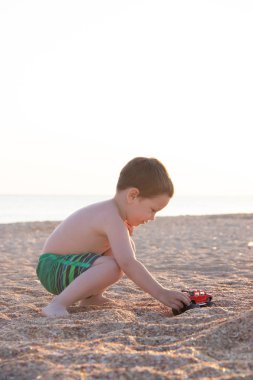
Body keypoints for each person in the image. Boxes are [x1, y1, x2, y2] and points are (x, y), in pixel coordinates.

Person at [36, 157, 190, 317]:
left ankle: (91, 298)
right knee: (114, 267)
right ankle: (57, 304)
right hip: (52, 268)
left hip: (67, 265)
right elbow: (128, 263)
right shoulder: (110, 216)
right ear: (132, 196)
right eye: (152, 210)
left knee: (126, 246)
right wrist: (161, 293)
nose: (152, 218)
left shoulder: (113, 215)